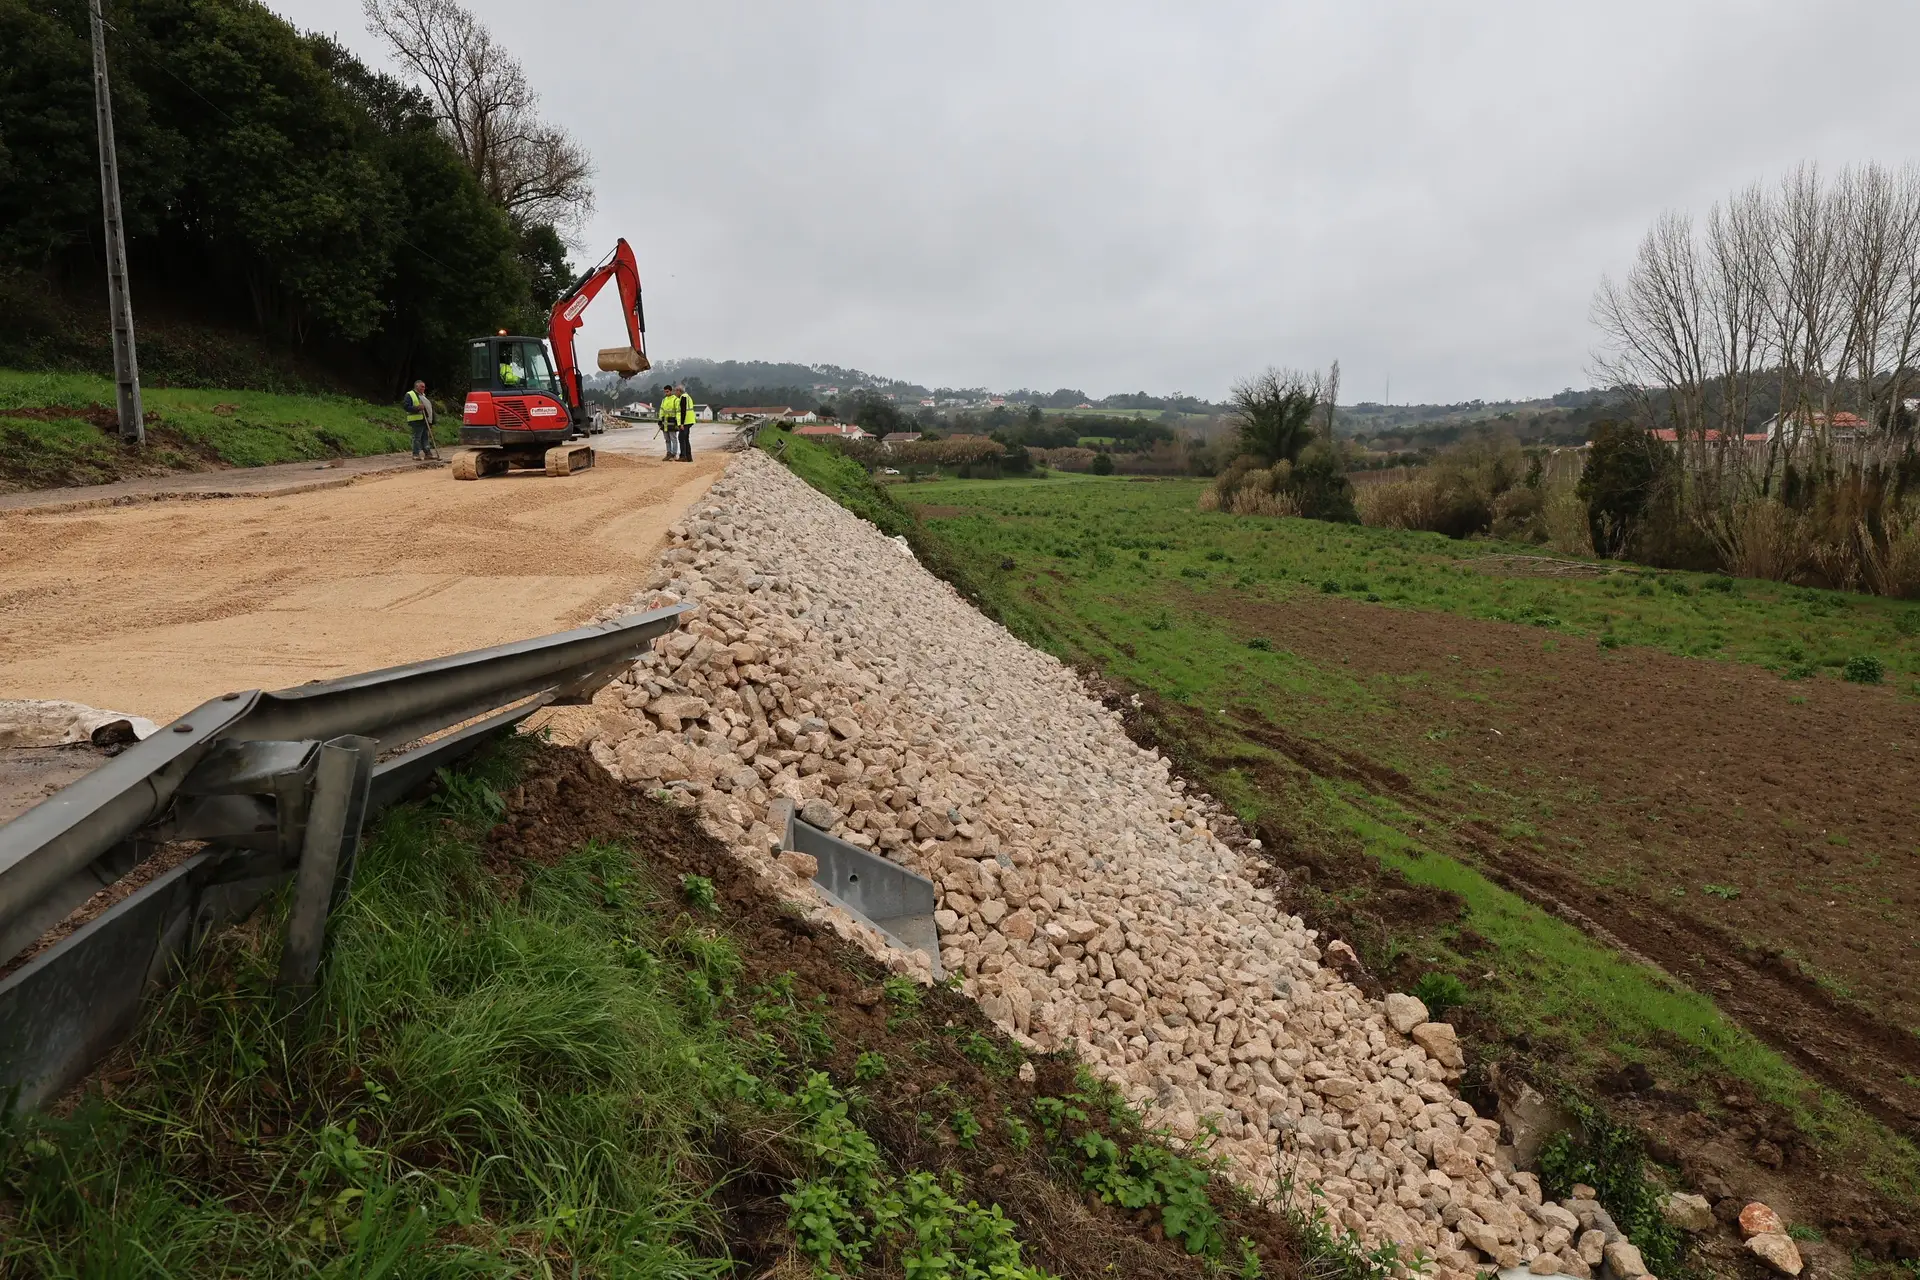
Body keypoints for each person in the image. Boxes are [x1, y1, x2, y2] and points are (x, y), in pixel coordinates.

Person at [403, 378, 438, 460]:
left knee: (425, 437)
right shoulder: (410, 394)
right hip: (415, 420)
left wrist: (431, 420)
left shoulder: (423, 396)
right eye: (422, 387)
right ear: (416, 386)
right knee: (417, 438)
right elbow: (406, 407)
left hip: (424, 420)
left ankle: (428, 453)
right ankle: (415, 454)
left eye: (424, 387)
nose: (423, 388)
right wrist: (417, 408)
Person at [658, 385, 682, 459]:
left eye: (667, 391)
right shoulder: (664, 400)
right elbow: (661, 410)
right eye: (665, 392)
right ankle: (668, 453)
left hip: (672, 421)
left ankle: (674, 454)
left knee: (673, 439)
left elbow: (678, 412)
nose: (666, 393)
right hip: (665, 422)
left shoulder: (676, 400)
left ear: (671, 391)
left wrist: (678, 422)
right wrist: (660, 420)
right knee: (667, 439)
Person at [676, 387, 696, 462]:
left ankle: (683, 456)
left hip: (685, 421)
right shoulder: (688, 397)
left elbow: (683, 411)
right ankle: (689, 457)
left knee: (681, 438)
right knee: (686, 439)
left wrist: (681, 423)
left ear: (679, 391)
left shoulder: (683, 397)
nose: (676, 393)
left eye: (676, 391)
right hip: (689, 420)